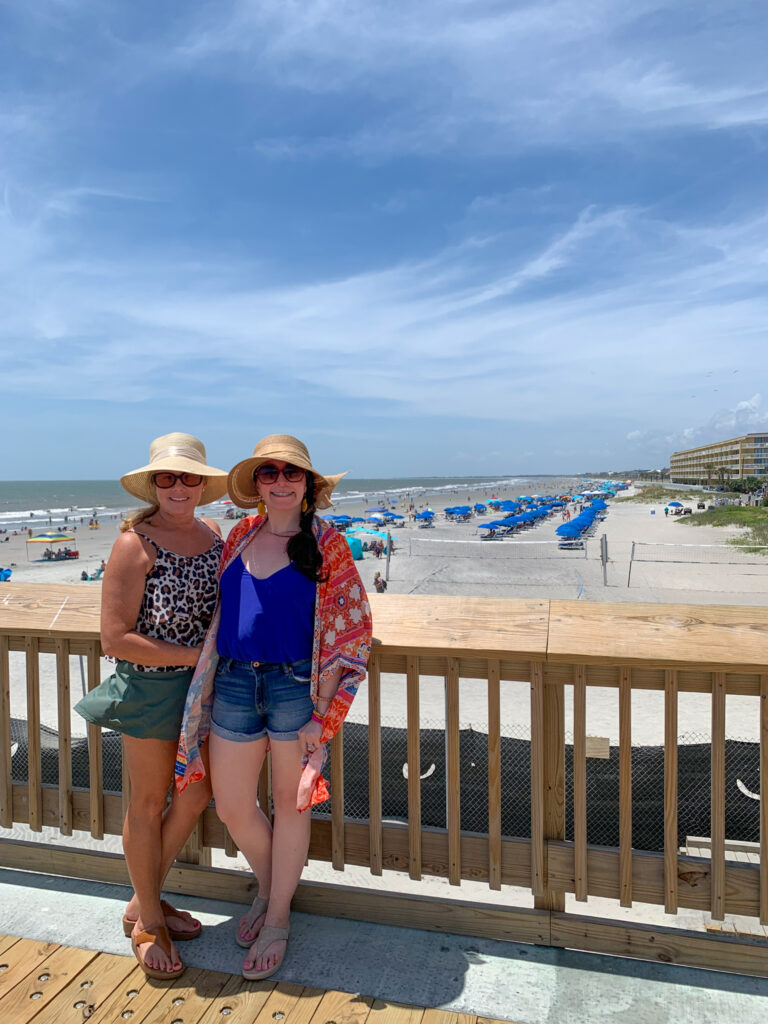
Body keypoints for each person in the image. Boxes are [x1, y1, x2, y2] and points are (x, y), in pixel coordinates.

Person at [176, 435, 371, 981]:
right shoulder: (239, 534)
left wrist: (322, 714)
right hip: (235, 683)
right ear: (257, 484)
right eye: (269, 473)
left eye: (292, 473)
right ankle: (270, 888)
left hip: (296, 688)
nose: (280, 482)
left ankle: (278, 914)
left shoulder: (328, 543)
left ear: (308, 485)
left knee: (292, 805)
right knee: (233, 804)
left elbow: (351, 630)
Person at [75, 433, 228, 981]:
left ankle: (144, 900)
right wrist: (197, 656)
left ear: (203, 485)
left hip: (206, 690)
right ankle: (148, 923)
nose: (179, 487)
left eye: (190, 477)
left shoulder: (214, 534)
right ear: (154, 484)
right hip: (151, 690)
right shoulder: (134, 544)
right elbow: (114, 639)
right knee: (146, 803)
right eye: (168, 477)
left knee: (197, 794)